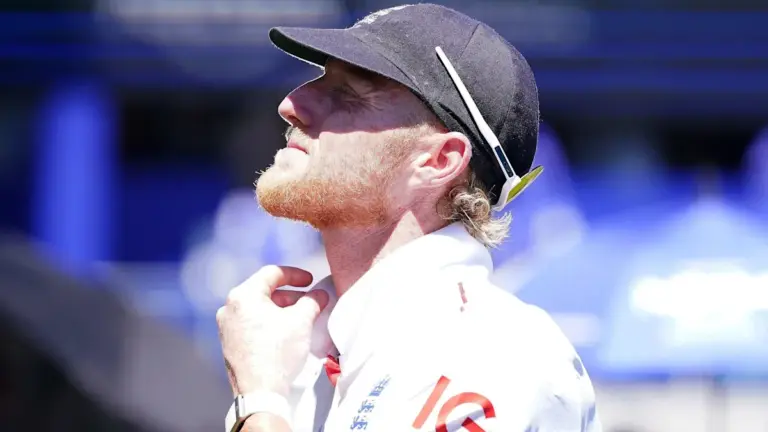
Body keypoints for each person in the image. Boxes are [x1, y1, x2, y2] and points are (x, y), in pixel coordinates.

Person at [216, 3, 601, 432]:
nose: (291, 104)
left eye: (348, 95)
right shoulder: (301, 355)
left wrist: (259, 401)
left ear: (439, 161)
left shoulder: (499, 354)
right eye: (319, 79)